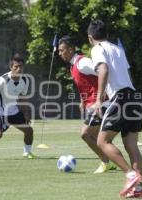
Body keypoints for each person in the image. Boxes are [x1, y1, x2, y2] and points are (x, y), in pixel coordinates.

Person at [87, 20, 142, 198]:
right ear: (107, 34)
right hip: (134, 97)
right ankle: (138, 189)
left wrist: (98, 99)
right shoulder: (118, 49)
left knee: (102, 142)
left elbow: (103, 70)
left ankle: (131, 175)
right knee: (132, 146)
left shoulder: (97, 49)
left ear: (90, 38)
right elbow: (125, 75)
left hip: (120, 98)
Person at [58, 35, 116, 174]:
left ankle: (105, 162)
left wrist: (100, 98)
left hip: (102, 104)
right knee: (99, 138)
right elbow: (87, 84)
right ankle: (111, 160)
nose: (60, 53)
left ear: (71, 49)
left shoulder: (82, 62)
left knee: (85, 134)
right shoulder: (74, 65)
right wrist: (83, 100)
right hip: (94, 104)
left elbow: (103, 72)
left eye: (62, 50)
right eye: (59, 51)